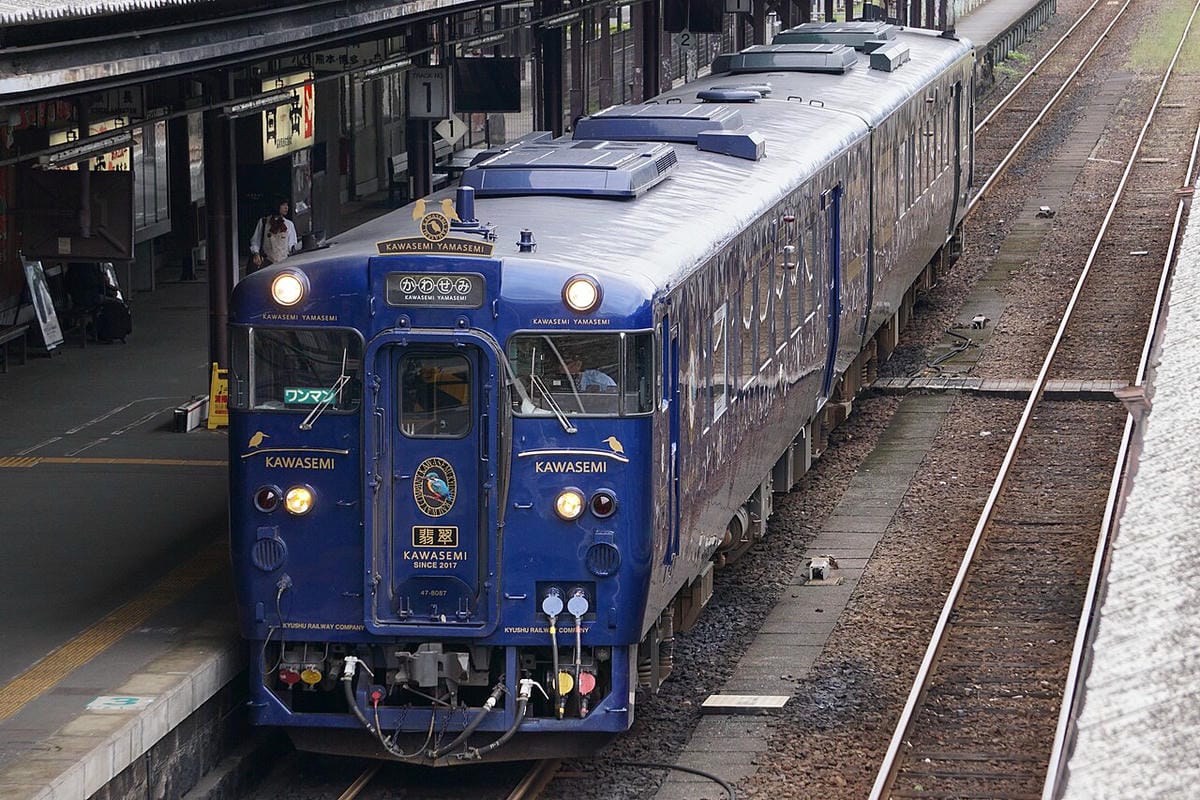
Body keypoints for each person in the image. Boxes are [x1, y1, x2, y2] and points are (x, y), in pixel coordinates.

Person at [249, 198, 299, 270]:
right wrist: (256, 254)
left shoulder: (289, 224)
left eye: (287, 205)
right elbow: (255, 241)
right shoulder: (263, 222)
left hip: (284, 264)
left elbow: (292, 245)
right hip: (266, 264)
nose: (286, 207)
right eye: (283, 205)